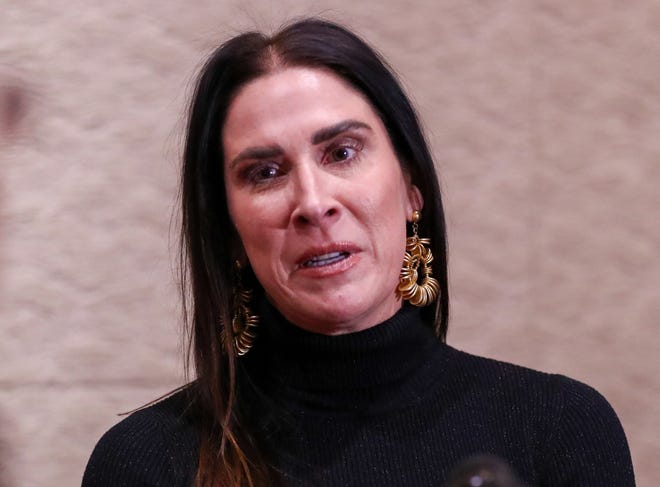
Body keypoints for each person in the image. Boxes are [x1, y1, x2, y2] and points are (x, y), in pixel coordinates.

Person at [82, 18, 635, 487]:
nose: (313, 203)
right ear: (228, 228)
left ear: (411, 185)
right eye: (265, 172)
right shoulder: (147, 463)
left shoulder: (558, 429)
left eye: (342, 152)